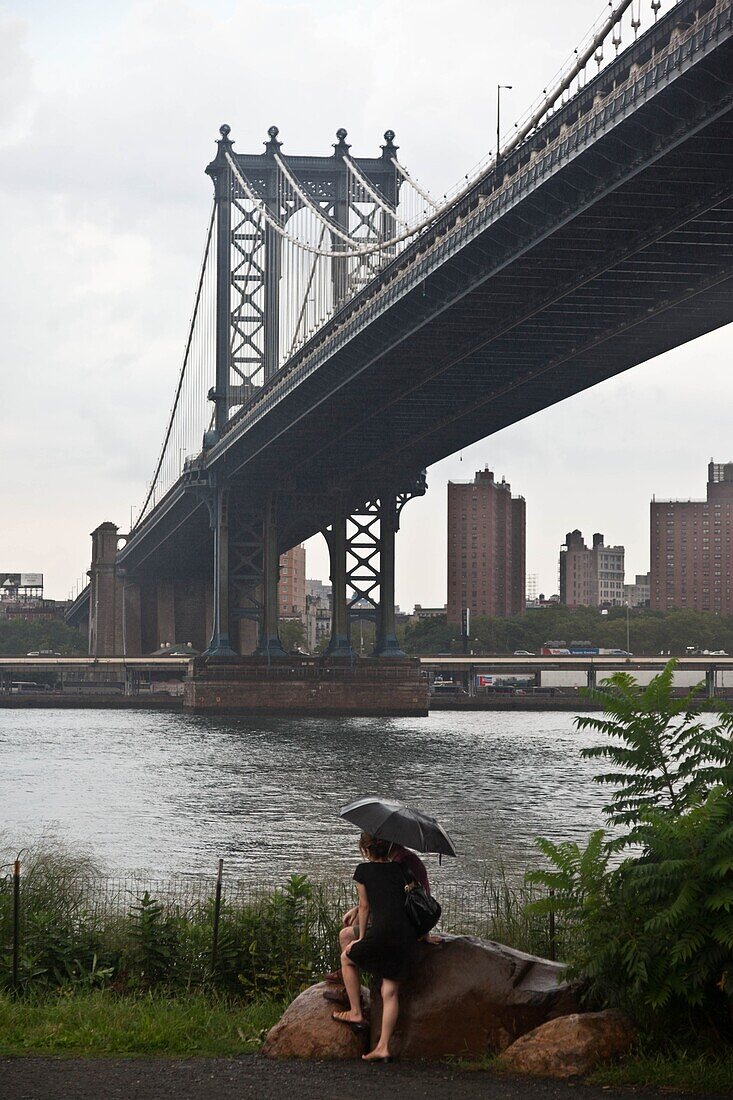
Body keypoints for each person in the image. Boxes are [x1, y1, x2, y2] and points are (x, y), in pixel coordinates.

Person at [331, 832, 419, 1062]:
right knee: (390, 992)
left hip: (381, 935)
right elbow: (407, 898)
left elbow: (365, 906)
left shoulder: (363, 871)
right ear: (388, 847)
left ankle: (356, 1012)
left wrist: (360, 940)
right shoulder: (401, 870)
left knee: (347, 957)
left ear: (366, 850)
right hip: (404, 936)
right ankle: (383, 1047)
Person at [323, 839, 430, 994]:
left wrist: (361, 933)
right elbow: (390, 897)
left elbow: (398, 900)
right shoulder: (402, 859)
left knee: (345, 935)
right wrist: (357, 909)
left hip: (402, 923)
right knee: (355, 919)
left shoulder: (400, 863)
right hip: (406, 919)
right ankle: (349, 974)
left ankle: (349, 984)